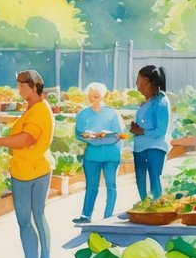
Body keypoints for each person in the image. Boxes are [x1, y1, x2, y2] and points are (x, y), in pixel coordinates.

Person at [0, 69, 53, 258]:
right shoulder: (38, 107)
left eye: (23, 86)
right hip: (40, 167)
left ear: (34, 87)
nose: (19, 89)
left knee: (25, 218)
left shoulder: (38, 110)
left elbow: (26, 139)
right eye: (18, 85)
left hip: (27, 172)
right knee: (38, 215)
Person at [72, 83, 123, 223]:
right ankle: (86, 215)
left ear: (102, 96)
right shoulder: (83, 113)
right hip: (92, 155)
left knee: (111, 185)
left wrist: (103, 136)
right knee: (91, 186)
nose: (94, 99)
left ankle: (108, 216)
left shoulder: (112, 113)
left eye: (96, 96)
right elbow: (78, 133)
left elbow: (119, 134)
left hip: (111, 155)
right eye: (91, 96)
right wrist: (88, 136)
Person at [130, 64, 171, 201]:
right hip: (141, 149)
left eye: (138, 79)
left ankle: (154, 210)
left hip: (153, 149)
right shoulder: (149, 101)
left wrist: (140, 130)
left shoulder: (160, 102)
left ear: (145, 80)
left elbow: (160, 130)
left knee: (154, 181)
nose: (136, 83)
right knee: (141, 182)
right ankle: (145, 208)